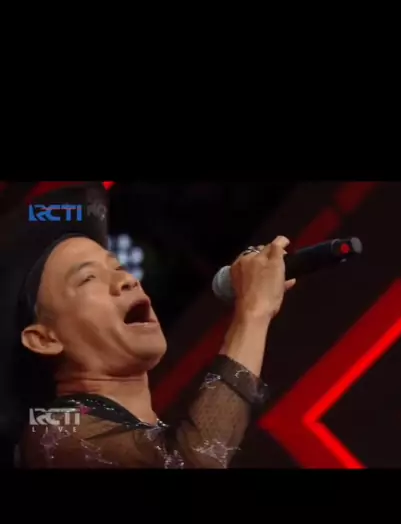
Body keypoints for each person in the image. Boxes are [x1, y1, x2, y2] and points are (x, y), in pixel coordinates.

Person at [0, 182, 296, 468]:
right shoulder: (51, 431)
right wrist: (253, 311)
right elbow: (193, 462)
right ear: (44, 339)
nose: (127, 279)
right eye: (88, 278)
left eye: (118, 267)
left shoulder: (131, 435)